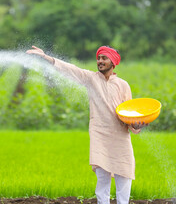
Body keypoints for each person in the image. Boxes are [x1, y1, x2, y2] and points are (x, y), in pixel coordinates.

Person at [26, 45, 148, 204]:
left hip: (120, 137)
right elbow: (70, 69)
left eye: (104, 58)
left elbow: (129, 115)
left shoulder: (123, 85)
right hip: (100, 135)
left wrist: (136, 126)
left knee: (124, 175)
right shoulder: (91, 79)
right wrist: (46, 57)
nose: (100, 61)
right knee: (102, 178)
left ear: (113, 62)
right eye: (98, 58)